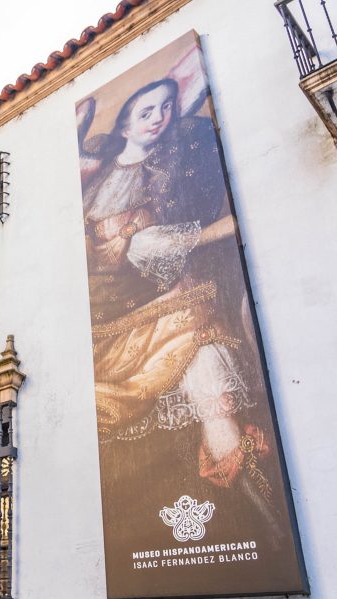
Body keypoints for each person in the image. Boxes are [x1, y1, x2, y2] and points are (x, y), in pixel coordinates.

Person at [79, 78, 276, 515]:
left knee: (205, 366)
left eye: (166, 108)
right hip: (110, 308)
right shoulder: (95, 187)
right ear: (125, 125)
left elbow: (163, 230)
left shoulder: (168, 170)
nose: (159, 118)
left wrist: (132, 233)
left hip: (168, 291)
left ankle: (253, 503)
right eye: (147, 111)